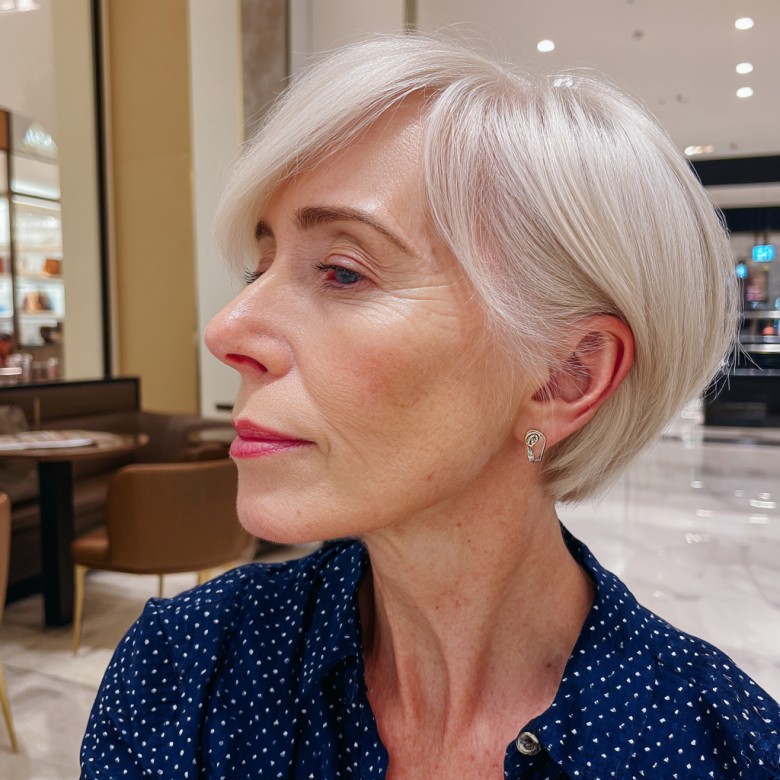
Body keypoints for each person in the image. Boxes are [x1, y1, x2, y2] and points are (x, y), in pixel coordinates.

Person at [80, 34, 779, 778]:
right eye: (260, 268)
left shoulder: (723, 752)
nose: (226, 331)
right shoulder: (185, 670)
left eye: (342, 272)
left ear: (564, 376)